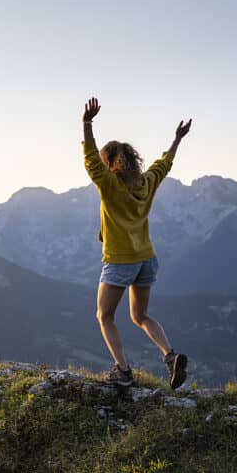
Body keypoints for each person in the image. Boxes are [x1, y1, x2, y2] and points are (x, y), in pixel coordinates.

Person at [81, 96, 192, 389]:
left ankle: (123, 371)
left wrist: (87, 124)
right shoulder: (147, 182)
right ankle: (170, 355)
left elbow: (90, 160)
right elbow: (164, 164)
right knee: (140, 315)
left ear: (108, 163)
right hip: (147, 259)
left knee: (104, 316)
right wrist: (177, 139)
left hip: (120, 261)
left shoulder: (109, 185)